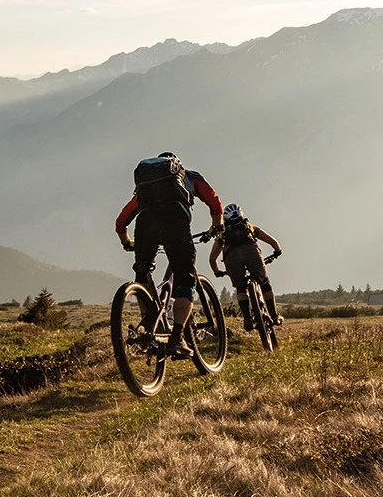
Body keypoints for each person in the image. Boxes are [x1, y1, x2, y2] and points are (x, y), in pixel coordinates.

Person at [114, 152, 221, 355]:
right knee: (185, 279)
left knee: (142, 272)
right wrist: (217, 226)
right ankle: (177, 338)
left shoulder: (146, 191)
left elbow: (121, 222)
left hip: (145, 225)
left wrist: (127, 243)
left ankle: (148, 328)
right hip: (176, 223)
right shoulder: (189, 176)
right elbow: (215, 203)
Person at [211, 202, 283, 329]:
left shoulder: (223, 233)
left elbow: (212, 259)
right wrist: (277, 251)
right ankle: (274, 316)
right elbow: (272, 241)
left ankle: (247, 319)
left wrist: (217, 272)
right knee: (264, 282)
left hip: (231, 259)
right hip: (251, 253)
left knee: (241, 288)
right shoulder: (248, 226)